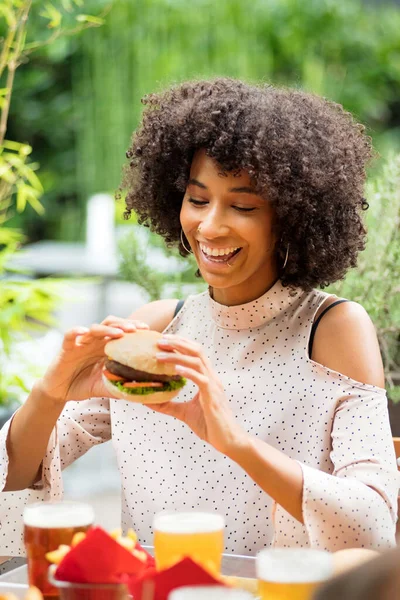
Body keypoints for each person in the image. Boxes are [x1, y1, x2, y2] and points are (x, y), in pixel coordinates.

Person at [0, 78, 398, 556]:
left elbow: (373, 526)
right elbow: (16, 481)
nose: (210, 225)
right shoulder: (154, 330)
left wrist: (235, 442)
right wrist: (53, 389)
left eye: (243, 205)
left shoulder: (331, 329)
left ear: (291, 216)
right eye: (198, 199)